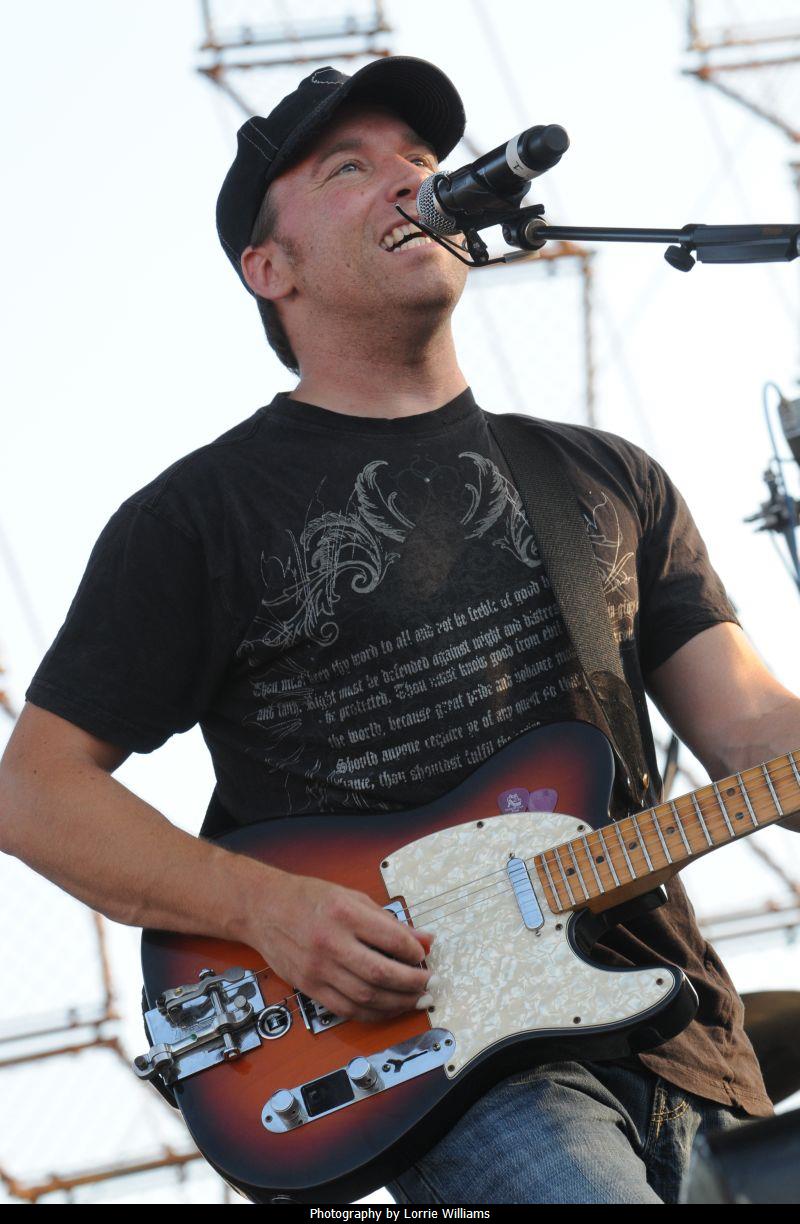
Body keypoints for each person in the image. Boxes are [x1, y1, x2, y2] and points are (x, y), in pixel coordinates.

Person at [1, 56, 799, 1205]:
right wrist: (264, 909)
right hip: (454, 1074)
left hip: (689, 1040)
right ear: (268, 269)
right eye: (349, 169)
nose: (410, 183)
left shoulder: (604, 476)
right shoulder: (199, 518)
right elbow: (34, 794)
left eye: (422, 162)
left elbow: (751, 730)